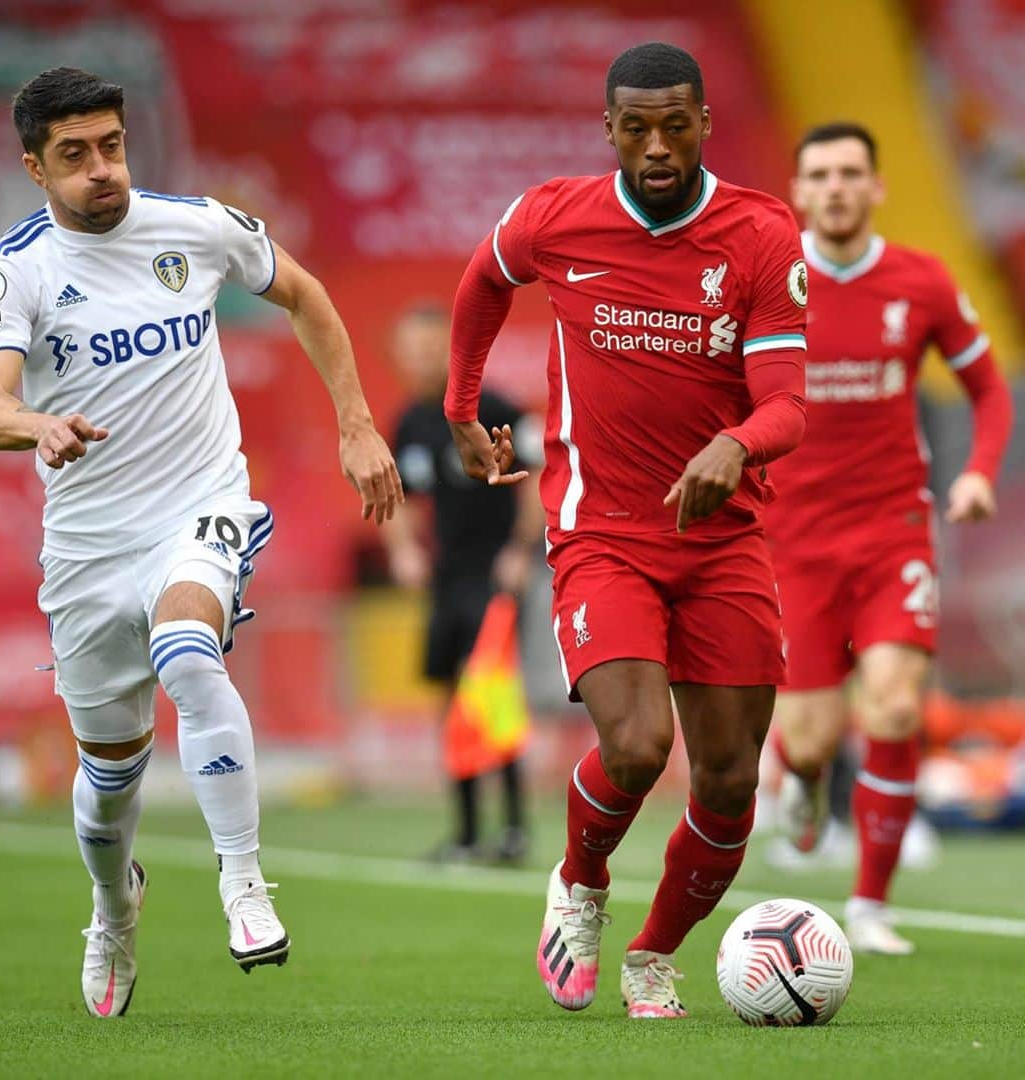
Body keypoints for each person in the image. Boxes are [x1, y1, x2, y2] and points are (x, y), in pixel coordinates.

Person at [0, 67, 402, 1017]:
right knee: (108, 784)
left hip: (199, 506)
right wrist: (37, 425)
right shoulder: (21, 268)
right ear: (34, 166)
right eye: (74, 156)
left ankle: (244, 886)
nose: (102, 170)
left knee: (189, 650)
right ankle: (113, 910)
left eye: (111, 146)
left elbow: (307, 294)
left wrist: (356, 423)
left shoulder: (196, 227)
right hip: (88, 547)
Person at [445, 42, 808, 1019]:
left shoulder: (762, 235)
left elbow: (786, 405)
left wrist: (736, 444)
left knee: (730, 783)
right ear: (609, 129)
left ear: (704, 125)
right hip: (599, 529)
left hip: (725, 541)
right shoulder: (555, 216)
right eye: (637, 126)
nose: (657, 145)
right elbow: (484, 280)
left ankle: (656, 953)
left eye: (676, 124)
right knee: (641, 745)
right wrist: (460, 402)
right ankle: (580, 884)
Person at [764, 121, 1013, 955]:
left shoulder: (920, 280)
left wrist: (976, 471)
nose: (835, 187)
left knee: (896, 705)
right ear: (798, 191)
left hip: (891, 534)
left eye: (850, 174)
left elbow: (988, 388)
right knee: (807, 736)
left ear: (876, 187)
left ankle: (870, 905)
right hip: (792, 545)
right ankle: (798, 787)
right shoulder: (769, 284)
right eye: (820, 174)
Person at [383, 301, 543, 863]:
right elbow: (394, 495)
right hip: (446, 580)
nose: (424, 361)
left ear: (450, 351)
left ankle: (515, 828)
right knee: (453, 703)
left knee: (493, 697)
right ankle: (468, 831)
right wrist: (403, 550)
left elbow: (535, 481)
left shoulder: (492, 407)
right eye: (413, 352)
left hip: (493, 575)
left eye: (432, 350)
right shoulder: (408, 423)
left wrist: (522, 552)